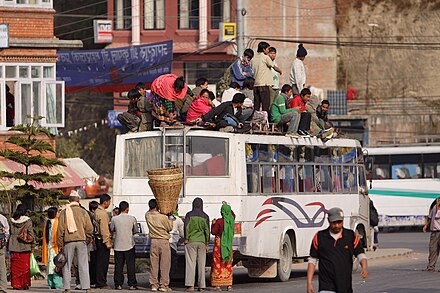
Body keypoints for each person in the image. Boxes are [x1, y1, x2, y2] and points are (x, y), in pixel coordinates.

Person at [307, 207, 368, 293]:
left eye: (339, 222)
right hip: (326, 285)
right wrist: (309, 282)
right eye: (334, 223)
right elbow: (312, 260)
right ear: (329, 221)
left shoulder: (351, 236)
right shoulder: (320, 237)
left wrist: (364, 268)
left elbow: (361, 254)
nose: (337, 225)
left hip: (345, 285)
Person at [56, 191, 93, 292]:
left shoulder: (64, 212)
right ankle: (86, 287)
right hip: (81, 240)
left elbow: (60, 229)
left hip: (68, 241)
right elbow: (89, 228)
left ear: (69, 200)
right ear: (78, 200)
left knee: (67, 265)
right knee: (83, 264)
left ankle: (67, 288)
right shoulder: (83, 212)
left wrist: (60, 243)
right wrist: (88, 238)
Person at [145, 198, 174, 292]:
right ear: (157, 206)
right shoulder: (163, 217)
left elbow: (150, 212)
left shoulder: (147, 215)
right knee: (165, 264)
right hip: (163, 241)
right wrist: (169, 216)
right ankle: (163, 285)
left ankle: (154, 284)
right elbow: (169, 227)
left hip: (153, 241)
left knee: (154, 264)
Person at [110, 201, 138, 290]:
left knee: (118, 265)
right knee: (130, 265)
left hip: (118, 245)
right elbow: (135, 230)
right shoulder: (132, 218)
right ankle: (132, 284)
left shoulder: (114, 219)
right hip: (129, 244)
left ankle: (118, 284)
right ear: (127, 209)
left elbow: (112, 229)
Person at [184, 197, 210, 292]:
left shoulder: (189, 215)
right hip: (202, 242)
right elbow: (207, 230)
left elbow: (186, 227)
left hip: (191, 241)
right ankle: (201, 286)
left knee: (191, 263)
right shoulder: (205, 216)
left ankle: (190, 286)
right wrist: (207, 242)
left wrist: (186, 238)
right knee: (201, 264)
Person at [210, 202, 235, 292]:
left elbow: (213, 232)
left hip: (219, 245)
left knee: (218, 263)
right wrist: (227, 206)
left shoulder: (219, 221)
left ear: (221, 212)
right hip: (228, 245)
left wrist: (213, 224)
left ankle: (217, 285)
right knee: (227, 263)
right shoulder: (231, 220)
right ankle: (229, 285)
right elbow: (233, 214)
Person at [251, 41, 282, 112]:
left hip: (255, 85)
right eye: (268, 49)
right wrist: (280, 71)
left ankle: (256, 120)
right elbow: (274, 66)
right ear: (264, 49)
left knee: (257, 106)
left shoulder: (253, 59)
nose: (268, 50)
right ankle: (265, 122)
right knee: (266, 106)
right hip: (264, 85)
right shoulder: (265, 57)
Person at [9, 204, 34, 290]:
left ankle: (16, 284)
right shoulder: (28, 221)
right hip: (25, 247)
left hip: (13, 245)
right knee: (24, 267)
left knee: (15, 267)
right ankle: (24, 284)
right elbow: (31, 234)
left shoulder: (11, 221)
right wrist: (33, 245)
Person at [93, 193, 112, 289]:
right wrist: (107, 241)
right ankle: (102, 282)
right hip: (102, 240)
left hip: (97, 239)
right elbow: (104, 229)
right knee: (103, 263)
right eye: (109, 202)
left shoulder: (96, 211)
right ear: (105, 202)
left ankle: (98, 281)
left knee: (98, 261)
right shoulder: (103, 214)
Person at [42, 207, 62, 289]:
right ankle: (57, 284)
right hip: (55, 248)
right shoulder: (57, 222)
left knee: (50, 267)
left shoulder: (47, 223)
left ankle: (50, 284)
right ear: (55, 213)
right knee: (57, 266)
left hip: (48, 248)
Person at [423, 197, 440, 271]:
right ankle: (431, 267)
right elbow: (430, 217)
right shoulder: (434, 208)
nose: (438, 202)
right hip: (434, 232)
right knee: (432, 249)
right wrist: (426, 225)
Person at [169, 205, 184, 277]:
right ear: (177, 209)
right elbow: (182, 234)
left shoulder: (164, 218)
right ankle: (169, 279)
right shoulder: (178, 220)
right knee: (172, 262)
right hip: (173, 244)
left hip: (164, 242)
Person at [87, 200, 100, 288]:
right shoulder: (91, 217)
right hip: (92, 242)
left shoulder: (90, 215)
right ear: (93, 209)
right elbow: (92, 231)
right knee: (93, 262)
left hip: (92, 242)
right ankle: (92, 280)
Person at [0, 212, 10, 293]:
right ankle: (3, 287)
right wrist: (4, 242)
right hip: (0, 246)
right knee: (2, 267)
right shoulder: (2, 218)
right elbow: (7, 232)